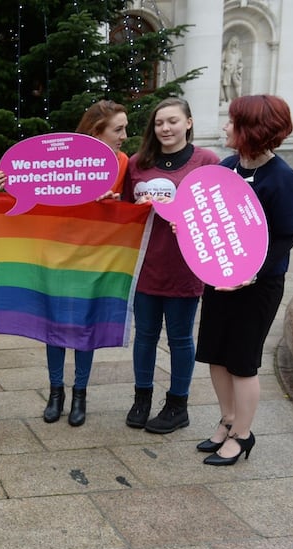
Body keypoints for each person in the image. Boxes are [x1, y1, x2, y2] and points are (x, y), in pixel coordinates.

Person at [197, 94, 293, 465]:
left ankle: (243, 435)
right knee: (215, 354)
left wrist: (251, 273)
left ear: (253, 130)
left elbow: (287, 235)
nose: (225, 127)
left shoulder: (283, 179)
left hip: (258, 286)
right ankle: (227, 421)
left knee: (242, 361)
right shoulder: (227, 168)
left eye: (232, 121)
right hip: (219, 280)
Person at [122, 97, 219, 433]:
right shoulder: (138, 162)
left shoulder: (207, 161)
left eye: (173, 121)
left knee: (179, 338)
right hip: (146, 263)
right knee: (144, 336)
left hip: (184, 265)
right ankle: (142, 398)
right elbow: (123, 210)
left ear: (188, 123)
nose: (165, 128)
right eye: (160, 122)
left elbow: (217, 213)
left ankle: (178, 404)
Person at [42, 100, 129, 427]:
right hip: (59, 253)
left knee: (85, 326)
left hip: (95, 256)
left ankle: (80, 394)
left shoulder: (122, 163)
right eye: (118, 129)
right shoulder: (62, 160)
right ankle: (55, 393)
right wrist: (12, 182)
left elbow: (129, 206)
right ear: (97, 131)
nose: (124, 135)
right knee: (53, 325)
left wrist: (115, 205)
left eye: (124, 128)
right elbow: (41, 196)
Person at [220, 36, 243, 104]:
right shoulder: (226, 52)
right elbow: (221, 61)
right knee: (227, 84)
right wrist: (225, 65)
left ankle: (239, 98)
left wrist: (240, 68)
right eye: (233, 41)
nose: (234, 42)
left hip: (235, 70)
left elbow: (240, 62)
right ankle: (228, 99)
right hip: (228, 70)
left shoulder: (239, 52)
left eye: (236, 41)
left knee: (238, 84)